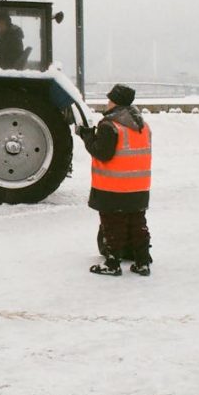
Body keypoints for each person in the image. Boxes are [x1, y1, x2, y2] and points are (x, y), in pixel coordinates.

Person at [78, 84, 153, 277]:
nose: (107, 103)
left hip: (114, 187)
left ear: (116, 102)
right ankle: (142, 262)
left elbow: (102, 153)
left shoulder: (110, 125)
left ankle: (112, 263)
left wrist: (87, 138)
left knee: (113, 224)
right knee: (138, 223)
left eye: (110, 99)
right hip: (138, 187)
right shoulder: (142, 126)